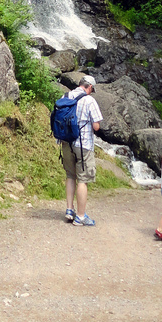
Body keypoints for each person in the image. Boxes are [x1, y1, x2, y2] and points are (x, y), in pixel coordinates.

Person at [62, 75, 103, 227]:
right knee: (83, 180)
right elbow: (97, 126)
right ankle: (80, 216)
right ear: (90, 87)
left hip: (66, 143)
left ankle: (69, 210)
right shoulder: (89, 100)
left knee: (70, 175)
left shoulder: (65, 96)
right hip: (83, 144)